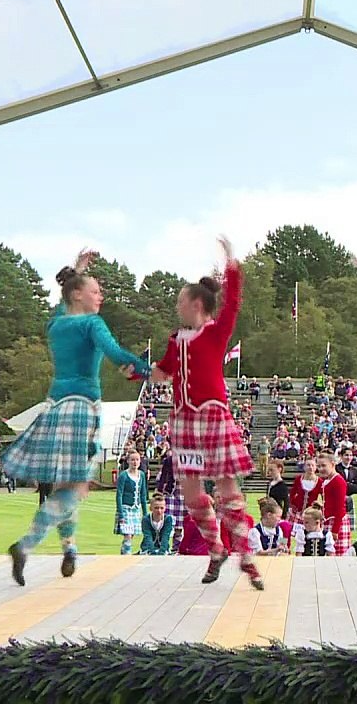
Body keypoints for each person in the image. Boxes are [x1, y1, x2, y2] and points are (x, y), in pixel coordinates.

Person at [3, 248, 152, 585]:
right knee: (77, 487)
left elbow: (62, 303)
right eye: (96, 290)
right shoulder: (91, 323)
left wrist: (80, 268)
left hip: (54, 406)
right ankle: (26, 545)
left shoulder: (56, 323)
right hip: (83, 408)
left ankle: (70, 548)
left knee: (64, 487)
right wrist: (149, 370)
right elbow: (115, 353)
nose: (101, 296)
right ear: (78, 294)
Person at [150, 237, 261, 589]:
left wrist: (231, 264)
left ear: (197, 303)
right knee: (192, 494)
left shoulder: (216, 332)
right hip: (183, 419)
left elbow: (234, 302)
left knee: (228, 488)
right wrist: (139, 369)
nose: (177, 305)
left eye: (181, 300)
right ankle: (216, 549)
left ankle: (245, 553)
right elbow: (164, 370)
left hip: (212, 415)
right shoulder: (175, 340)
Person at [316, 452, 352, 556]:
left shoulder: (338, 481)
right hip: (328, 519)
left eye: (323, 466)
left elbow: (340, 508)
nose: (321, 469)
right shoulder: (326, 480)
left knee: (338, 555)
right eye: (319, 466)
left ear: (332, 465)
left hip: (336, 522)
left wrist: (335, 530)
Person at [116, 451, 149, 555]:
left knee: (133, 533)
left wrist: (145, 513)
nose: (135, 462)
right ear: (128, 461)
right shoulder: (124, 475)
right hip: (126, 508)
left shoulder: (142, 475)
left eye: (137, 460)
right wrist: (120, 512)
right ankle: (126, 554)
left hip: (136, 508)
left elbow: (143, 494)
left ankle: (124, 551)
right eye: (132, 460)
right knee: (128, 534)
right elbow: (119, 494)